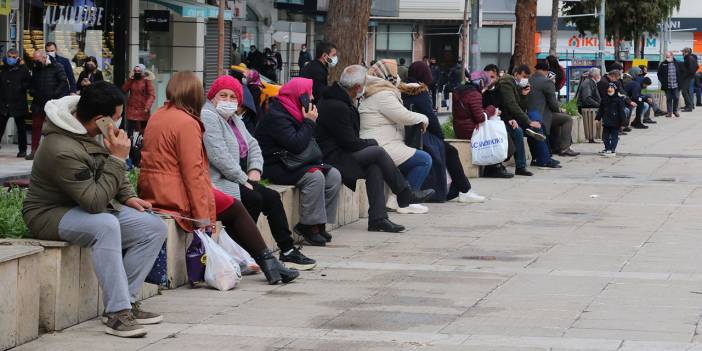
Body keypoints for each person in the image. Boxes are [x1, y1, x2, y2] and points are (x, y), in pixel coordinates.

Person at [22, 82, 166, 338]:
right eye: (118, 118)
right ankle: (117, 313)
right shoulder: (61, 148)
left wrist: (129, 197)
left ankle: (128, 301)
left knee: (152, 227)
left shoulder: (89, 129)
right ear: (100, 119)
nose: (119, 124)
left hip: (82, 206)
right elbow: (95, 202)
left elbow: (104, 172)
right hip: (49, 214)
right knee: (105, 225)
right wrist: (118, 159)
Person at [138, 71, 298, 285]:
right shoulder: (187, 122)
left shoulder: (159, 114)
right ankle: (269, 262)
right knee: (236, 208)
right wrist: (203, 216)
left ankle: (268, 262)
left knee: (243, 203)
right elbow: (193, 173)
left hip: (153, 187)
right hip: (173, 191)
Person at [201, 75, 316, 269]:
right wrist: (244, 178)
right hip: (217, 180)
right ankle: (241, 252)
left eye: (232, 97)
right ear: (213, 96)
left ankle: (286, 250)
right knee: (254, 198)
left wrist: (255, 170)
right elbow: (218, 155)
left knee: (271, 197)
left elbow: (253, 145)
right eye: (223, 95)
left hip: (236, 178)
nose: (228, 101)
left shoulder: (234, 119)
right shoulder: (209, 115)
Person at [317, 65, 435, 232]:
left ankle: (378, 219)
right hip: (333, 157)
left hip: (342, 153)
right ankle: (404, 193)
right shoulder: (337, 106)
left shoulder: (342, 100)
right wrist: (372, 142)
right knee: (377, 151)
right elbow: (349, 143)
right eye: (365, 83)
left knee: (374, 167)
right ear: (357, 87)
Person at [256, 77, 342, 246]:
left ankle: (318, 223)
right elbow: (296, 144)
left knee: (334, 175)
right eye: (308, 94)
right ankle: (309, 226)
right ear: (298, 95)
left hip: (294, 162)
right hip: (276, 165)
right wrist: (309, 122)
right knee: (315, 176)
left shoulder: (296, 111)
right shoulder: (278, 115)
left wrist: (308, 121)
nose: (311, 98)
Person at [403, 61, 486, 203]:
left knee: (449, 151)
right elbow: (431, 118)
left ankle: (462, 189)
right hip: (421, 136)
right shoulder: (420, 91)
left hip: (408, 135)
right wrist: (440, 137)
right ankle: (464, 191)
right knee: (450, 151)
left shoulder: (402, 89)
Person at [359, 59, 433, 213]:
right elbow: (402, 115)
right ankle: (406, 202)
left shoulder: (374, 89)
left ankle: (396, 199)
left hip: (381, 142)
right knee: (424, 160)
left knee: (412, 158)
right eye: (394, 73)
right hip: (382, 145)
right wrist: (423, 118)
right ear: (388, 74)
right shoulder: (383, 94)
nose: (397, 77)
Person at [453, 71, 514, 178]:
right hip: (470, 130)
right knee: (498, 132)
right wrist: (491, 109)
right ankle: (495, 167)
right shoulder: (474, 94)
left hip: (460, 128)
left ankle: (495, 166)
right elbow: (480, 118)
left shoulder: (461, 91)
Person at [495, 64, 546, 177]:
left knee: (537, 125)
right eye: (523, 76)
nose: (525, 79)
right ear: (516, 74)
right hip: (504, 119)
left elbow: (521, 106)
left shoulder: (516, 85)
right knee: (519, 131)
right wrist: (528, 121)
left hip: (512, 118)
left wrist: (524, 95)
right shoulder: (507, 82)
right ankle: (521, 166)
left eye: (527, 77)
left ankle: (543, 157)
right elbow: (511, 104)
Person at [528, 60, 578, 158]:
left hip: (528, 114)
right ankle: (565, 148)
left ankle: (555, 146)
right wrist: (560, 110)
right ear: (546, 71)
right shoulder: (547, 82)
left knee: (556, 119)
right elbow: (553, 105)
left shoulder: (529, 79)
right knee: (566, 119)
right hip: (541, 116)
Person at [28, 49, 69, 160]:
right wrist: (32, 91)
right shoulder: (36, 68)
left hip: (52, 103)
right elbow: (32, 82)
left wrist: (54, 95)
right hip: (38, 102)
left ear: (44, 57)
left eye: (37, 60)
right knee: (36, 127)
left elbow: (63, 82)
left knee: (53, 129)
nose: (35, 62)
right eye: (34, 60)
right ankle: (34, 151)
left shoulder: (57, 66)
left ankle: (52, 152)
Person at [0, 48, 31, 158]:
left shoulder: (23, 68)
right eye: (10, 56)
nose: (11, 59)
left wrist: (21, 87)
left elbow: (29, 82)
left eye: (14, 57)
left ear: (17, 57)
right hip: (3, 102)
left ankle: (22, 150)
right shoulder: (2, 67)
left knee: (21, 128)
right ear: (6, 56)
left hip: (18, 102)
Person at [121, 64, 155, 136]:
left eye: (139, 71)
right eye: (135, 71)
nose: (137, 72)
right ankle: (130, 146)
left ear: (142, 71)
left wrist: (147, 107)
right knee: (130, 132)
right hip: (132, 109)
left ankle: (141, 146)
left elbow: (151, 95)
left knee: (143, 132)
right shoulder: (132, 80)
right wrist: (130, 79)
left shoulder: (147, 81)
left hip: (143, 109)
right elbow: (124, 90)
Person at [597, 83, 627, 157]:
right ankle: (607, 148)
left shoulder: (618, 100)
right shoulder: (604, 99)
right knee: (605, 137)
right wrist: (597, 118)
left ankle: (612, 149)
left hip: (615, 122)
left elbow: (622, 112)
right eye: (608, 87)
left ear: (615, 89)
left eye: (612, 87)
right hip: (606, 122)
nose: (609, 89)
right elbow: (601, 110)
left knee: (614, 137)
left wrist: (623, 123)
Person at [658, 51, 683, 118]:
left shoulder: (678, 63)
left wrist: (681, 81)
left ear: (672, 56)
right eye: (666, 57)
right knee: (669, 99)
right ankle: (669, 112)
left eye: (668, 57)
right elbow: (659, 74)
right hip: (667, 85)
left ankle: (675, 111)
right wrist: (662, 81)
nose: (667, 58)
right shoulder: (663, 64)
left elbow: (683, 72)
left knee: (676, 98)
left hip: (676, 85)